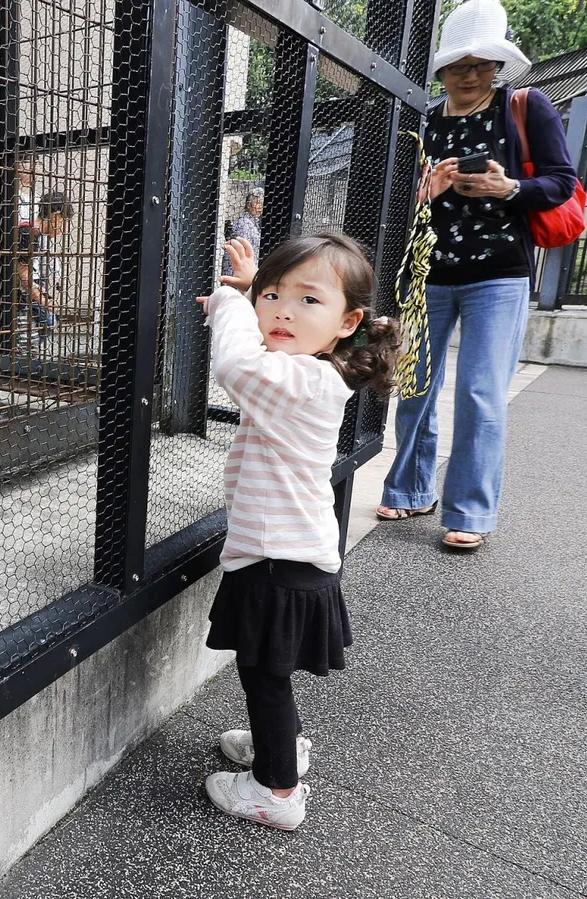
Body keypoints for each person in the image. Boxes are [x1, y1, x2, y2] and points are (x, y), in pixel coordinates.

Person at [196, 233, 399, 831]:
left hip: (276, 562)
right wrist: (251, 297)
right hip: (287, 557)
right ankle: (280, 745)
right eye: (274, 296)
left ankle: (276, 788)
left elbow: (235, 362)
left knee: (262, 674)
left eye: (309, 301)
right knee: (268, 671)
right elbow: (261, 352)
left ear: (348, 322)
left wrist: (233, 303)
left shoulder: (307, 383)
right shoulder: (309, 372)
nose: (283, 311)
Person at [377, 0, 577, 552]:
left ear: (497, 65)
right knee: (415, 384)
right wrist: (428, 192)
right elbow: (403, 207)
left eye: (481, 64)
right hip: (431, 271)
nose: (469, 75)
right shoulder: (425, 120)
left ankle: (471, 511)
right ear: (440, 70)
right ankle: (412, 487)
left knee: (480, 392)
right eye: (457, 66)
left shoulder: (525, 106)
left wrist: (507, 187)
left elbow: (562, 182)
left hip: (500, 273)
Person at [11, 190, 72, 353]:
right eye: (65, 221)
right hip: (14, 296)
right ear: (55, 215)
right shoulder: (28, 234)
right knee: (25, 343)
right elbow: (25, 280)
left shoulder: (34, 233)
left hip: (19, 295)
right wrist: (45, 301)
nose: (64, 228)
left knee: (45, 324)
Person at [223, 188, 263, 278]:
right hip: (238, 273)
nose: (260, 207)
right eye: (257, 203)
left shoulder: (253, 222)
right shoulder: (244, 223)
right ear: (248, 205)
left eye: (262, 203)